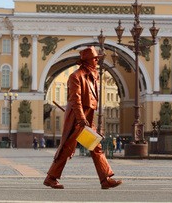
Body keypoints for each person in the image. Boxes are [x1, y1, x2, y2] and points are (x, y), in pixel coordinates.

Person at [43, 46, 122, 190]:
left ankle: (105, 179)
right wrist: (80, 119)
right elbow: (75, 100)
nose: (97, 60)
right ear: (86, 61)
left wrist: (88, 120)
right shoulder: (76, 76)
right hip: (77, 120)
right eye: (94, 58)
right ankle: (51, 178)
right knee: (67, 149)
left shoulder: (92, 76)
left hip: (87, 118)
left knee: (95, 147)